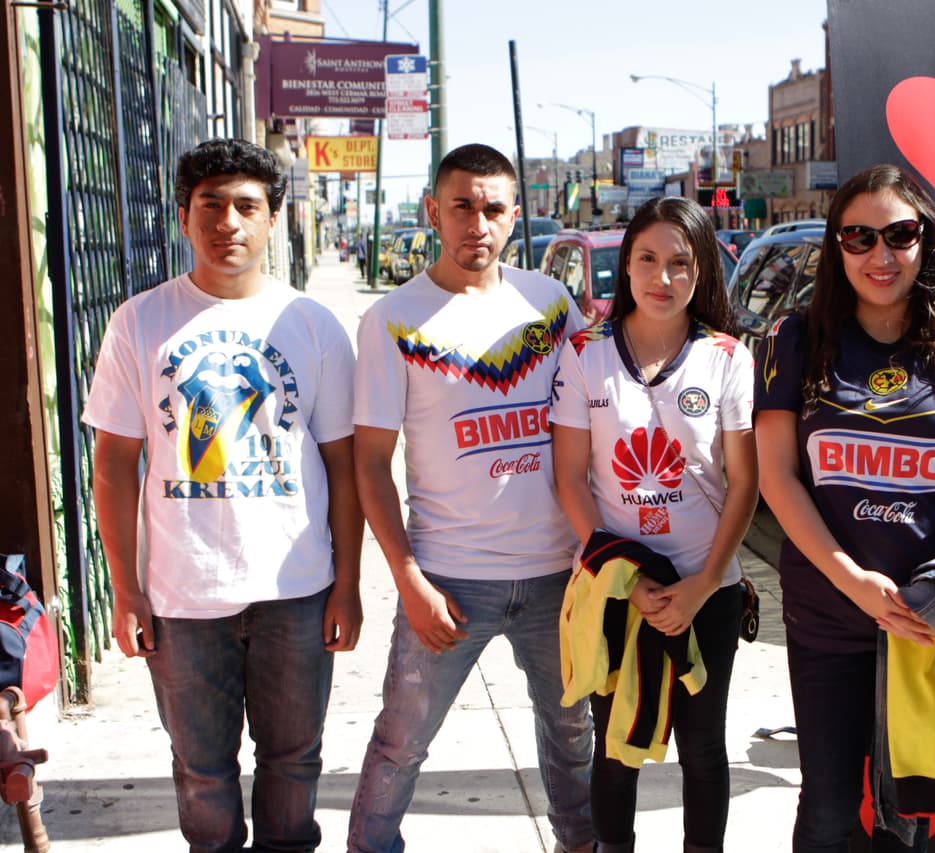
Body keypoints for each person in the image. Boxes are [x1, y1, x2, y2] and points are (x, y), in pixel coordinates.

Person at [84, 137, 363, 852]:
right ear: (184, 217)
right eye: (211, 205)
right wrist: (126, 589)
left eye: (246, 206)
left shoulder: (313, 325)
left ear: (272, 218)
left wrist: (348, 585)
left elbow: (343, 466)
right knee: (202, 772)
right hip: (182, 596)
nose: (228, 222)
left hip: (296, 588)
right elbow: (113, 464)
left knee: (294, 762)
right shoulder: (139, 322)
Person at [754, 164, 935, 853]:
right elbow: (777, 478)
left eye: (899, 234)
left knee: (915, 810)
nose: (881, 254)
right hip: (829, 613)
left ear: (924, 240)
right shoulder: (793, 339)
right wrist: (854, 582)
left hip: (930, 621)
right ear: (837, 245)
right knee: (829, 807)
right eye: (859, 237)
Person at [346, 143, 594, 853]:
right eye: (461, 206)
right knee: (400, 742)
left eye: (492, 208)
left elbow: (598, 416)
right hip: (449, 580)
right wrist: (409, 580)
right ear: (433, 211)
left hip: (557, 576)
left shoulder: (550, 305)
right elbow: (371, 463)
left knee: (574, 734)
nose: (476, 224)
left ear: (515, 215)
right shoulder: (393, 319)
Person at [551, 196, 759, 853]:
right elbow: (570, 480)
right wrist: (624, 580)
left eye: (680, 262)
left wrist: (702, 585)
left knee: (703, 746)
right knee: (617, 746)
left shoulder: (727, 357)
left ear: (703, 272)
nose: (661, 277)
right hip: (616, 589)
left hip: (707, 588)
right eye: (647, 259)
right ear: (626, 265)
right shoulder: (584, 354)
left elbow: (746, 483)